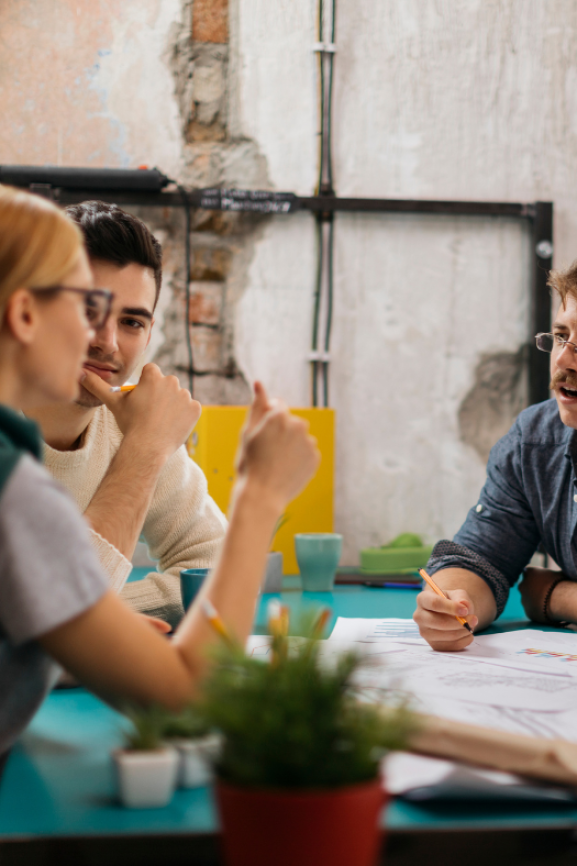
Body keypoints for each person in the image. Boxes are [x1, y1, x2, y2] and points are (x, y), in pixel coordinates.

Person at [0, 185, 320, 757]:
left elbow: (202, 564)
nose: (101, 340)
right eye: (84, 307)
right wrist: (260, 494)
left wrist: (84, 627)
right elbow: (188, 694)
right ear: (25, 313)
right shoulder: (16, 481)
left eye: (129, 320)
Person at [26, 201, 226, 626]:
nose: (108, 343)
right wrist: (147, 448)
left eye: (132, 322)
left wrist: (104, 625)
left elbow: (217, 563)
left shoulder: (132, 426)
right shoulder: (143, 436)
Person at [414, 261, 577, 651]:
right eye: (561, 336)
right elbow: (482, 558)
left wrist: (555, 597)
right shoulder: (536, 442)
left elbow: (541, 593)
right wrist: (453, 604)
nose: (563, 361)